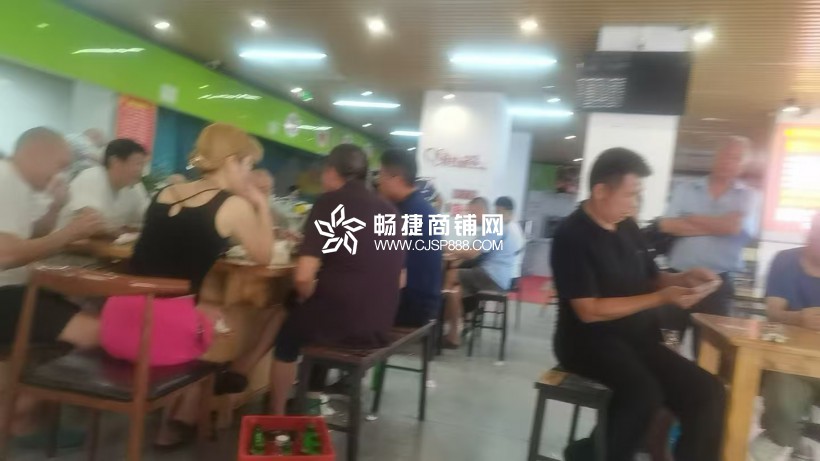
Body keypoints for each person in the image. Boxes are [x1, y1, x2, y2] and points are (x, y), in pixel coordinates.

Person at [552, 148, 726, 461]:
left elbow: (652, 278)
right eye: (630, 195)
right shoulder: (572, 236)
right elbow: (588, 311)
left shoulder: (627, 227)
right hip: (587, 343)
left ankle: (587, 452)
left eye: (638, 195)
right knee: (643, 394)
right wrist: (661, 298)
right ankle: (592, 454)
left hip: (636, 337)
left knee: (707, 391)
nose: (635, 204)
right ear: (601, 191)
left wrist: (684, 278)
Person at [123, 123, 278, 447]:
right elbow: (264, 255)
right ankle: (183, 418)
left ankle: (173, 410)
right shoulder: (231, 205)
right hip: (162, 332)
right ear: (232, 161)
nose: (249, 174)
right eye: (248, 164)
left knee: (203, 308)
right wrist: (261, 204)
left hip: (121, 318)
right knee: (228, 326)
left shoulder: (164, 193)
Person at [269, 144, 405, 415]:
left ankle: (275, 415)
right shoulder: (391, 212)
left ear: (331, 172)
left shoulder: (329, 201)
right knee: (304, 310)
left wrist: (309, 294)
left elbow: (303, 277)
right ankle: (309, 397)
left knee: (288, 336)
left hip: (343, 326)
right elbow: (400, 278)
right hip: (379, 325)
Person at [0, 127, 104, 438]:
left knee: (81, 318)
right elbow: (6, 254)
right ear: (37, 153)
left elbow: (29, 235)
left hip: (13, 292)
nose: (61, 174)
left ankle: (22, 417)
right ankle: (23, 417)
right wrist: (69, 233)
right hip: (4, 295)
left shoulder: (16, 182)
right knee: (98, 332)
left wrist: (56, 208)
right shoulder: (5, 180)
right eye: (60, 165)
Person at [659, 136, 758, 351]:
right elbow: (667, 225)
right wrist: (720, 224)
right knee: (668, 342)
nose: (727, 161)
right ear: (715, 156)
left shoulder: (748, 196)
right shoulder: (686, 188)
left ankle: (700, 373)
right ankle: (665, 369)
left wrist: (692, 218)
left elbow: (735, 228)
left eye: (736, 158)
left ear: (744, 165)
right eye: (724, 154)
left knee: (709, 351)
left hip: (717, 287)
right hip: (678, 280)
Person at [748, 214, 820, 461]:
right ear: (810, 234)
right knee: (782, 400)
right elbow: (774, 312)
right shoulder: (785, 261)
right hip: (789, 362)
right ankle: (791, 436)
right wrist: (799, 318)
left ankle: (804, 435)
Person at [442, 196, 519, 348]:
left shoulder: (494, 225)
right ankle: (456, 328)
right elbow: (470, 254)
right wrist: (455, 257)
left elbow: (472, 253)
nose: (469, 218)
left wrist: (444, 246)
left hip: (492, 276)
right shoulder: (490, 227)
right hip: (495, 276)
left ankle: (445, 325)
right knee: (456, 286)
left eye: (471, 214)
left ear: (480, 210)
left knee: (450, 276)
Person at [378, 149, 443, 327]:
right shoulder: (423, 208)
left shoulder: (405, 213)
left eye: (382, 175)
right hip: (425, 302)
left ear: (397, 179)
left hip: (410, 305)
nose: (379, 182)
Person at [60, 138, 150, 235]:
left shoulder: (135, 185)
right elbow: (91, 223)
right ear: (115, 162)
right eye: (138, 164)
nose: (141, 171)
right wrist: (117, 230)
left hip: (106, 242)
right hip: (69, 243)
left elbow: (148, 216)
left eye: (143, 165)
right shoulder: (90, 177)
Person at [495, 196, 525, 283]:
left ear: (507, 212)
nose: (496, 215)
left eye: (498, 212)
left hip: (505, 274)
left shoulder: (510, 229)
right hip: (508, 273)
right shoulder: (513, 226)